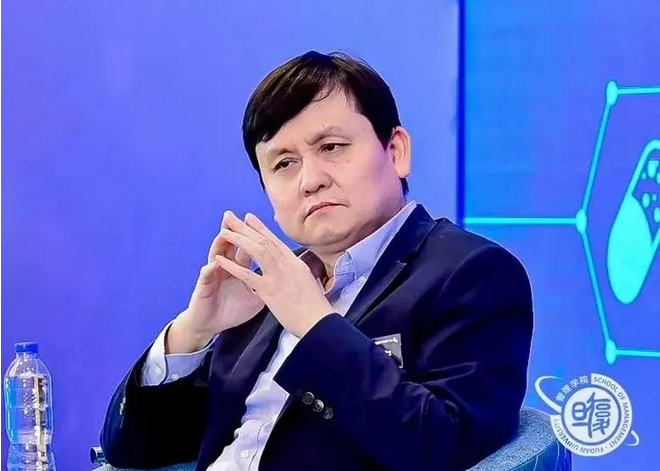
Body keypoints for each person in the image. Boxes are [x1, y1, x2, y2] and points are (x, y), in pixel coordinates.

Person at [101, 51, 533, 471]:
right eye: (284, 164)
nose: (310, 181)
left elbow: (444, 446)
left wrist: (314, 325)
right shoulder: (266, 287)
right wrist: (194, 331)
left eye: (331, 147)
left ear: (396, 151)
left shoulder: (473, 274)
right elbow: (134, 451)